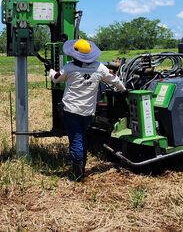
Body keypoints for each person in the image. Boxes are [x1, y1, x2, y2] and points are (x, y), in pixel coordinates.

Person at [49, 38, 126, 181]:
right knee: (82, 137)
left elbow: (56, 79)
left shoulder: (69, 68)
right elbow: (115, 80)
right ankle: (80, 168)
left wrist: (50, 70)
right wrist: (124, 90)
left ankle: (77, 175)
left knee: (76, 140)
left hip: (71, 111)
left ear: (74, 54)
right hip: (88, 112)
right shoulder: (100, 68)